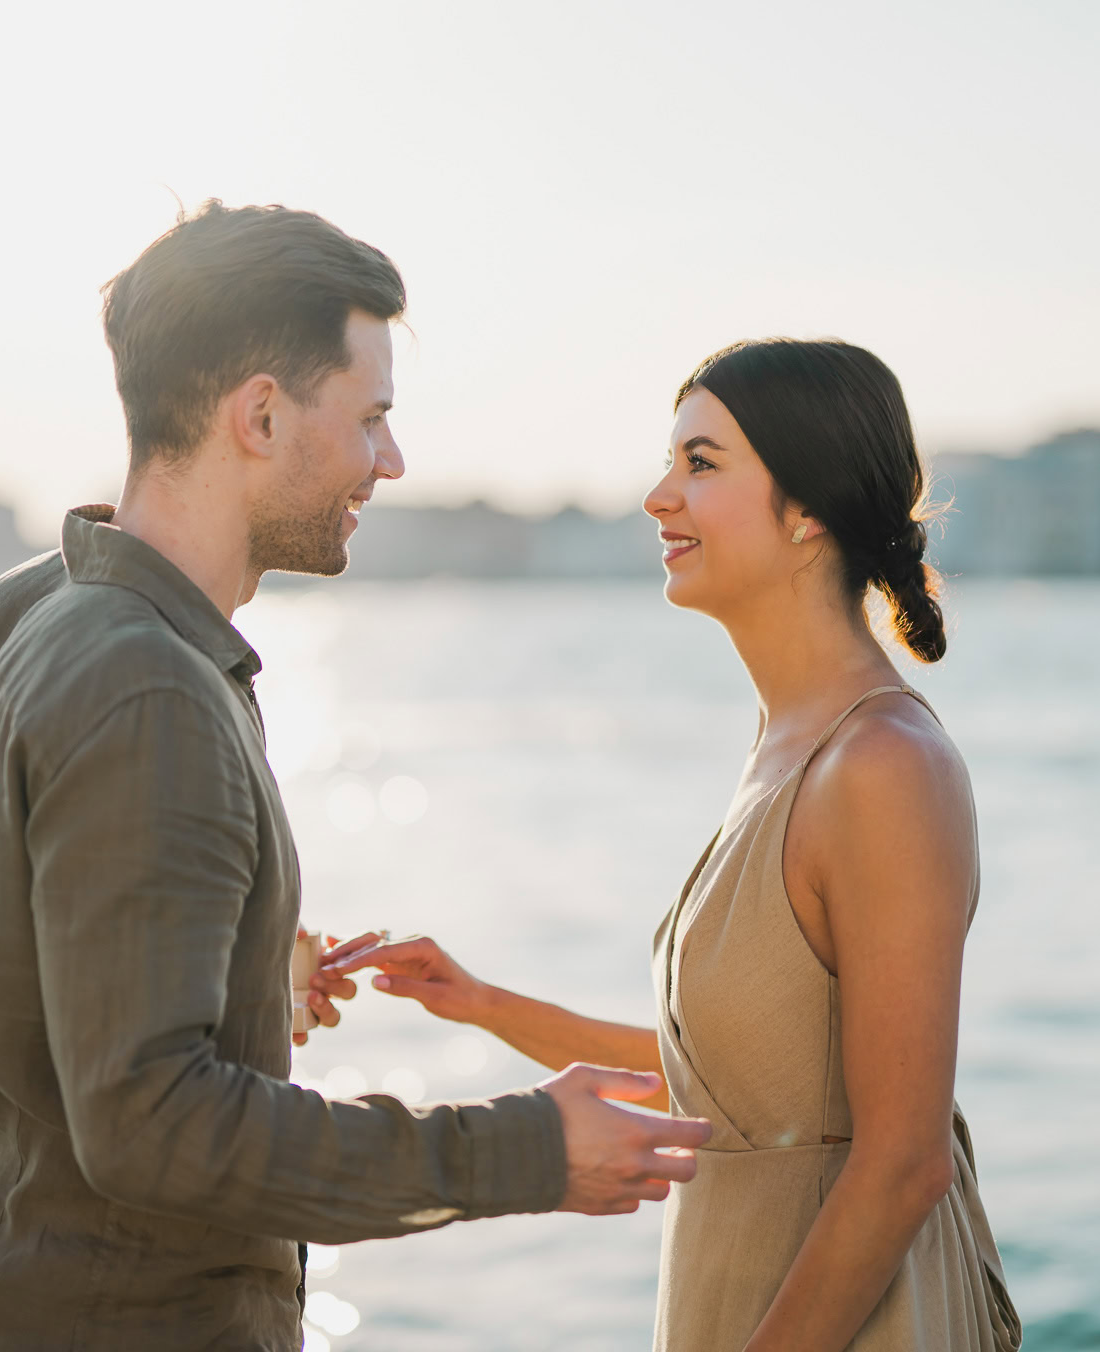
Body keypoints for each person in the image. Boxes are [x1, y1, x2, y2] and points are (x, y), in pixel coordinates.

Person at [0, 201, 710, 1351]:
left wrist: (217, 966)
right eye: (370, 418)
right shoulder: (152, 687)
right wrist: (527, 1147)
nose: (389, 460)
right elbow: (156, 1127)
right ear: (258, 413)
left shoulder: (5, 617)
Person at [327, 339, 1022, 1350]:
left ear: (810, 508)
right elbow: (741, 1090)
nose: (659, 495)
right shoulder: (786, 748)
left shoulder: (884, 764)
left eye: (701, 463)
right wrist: (479, 1002)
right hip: (740, 1291)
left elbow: (903, 1160)